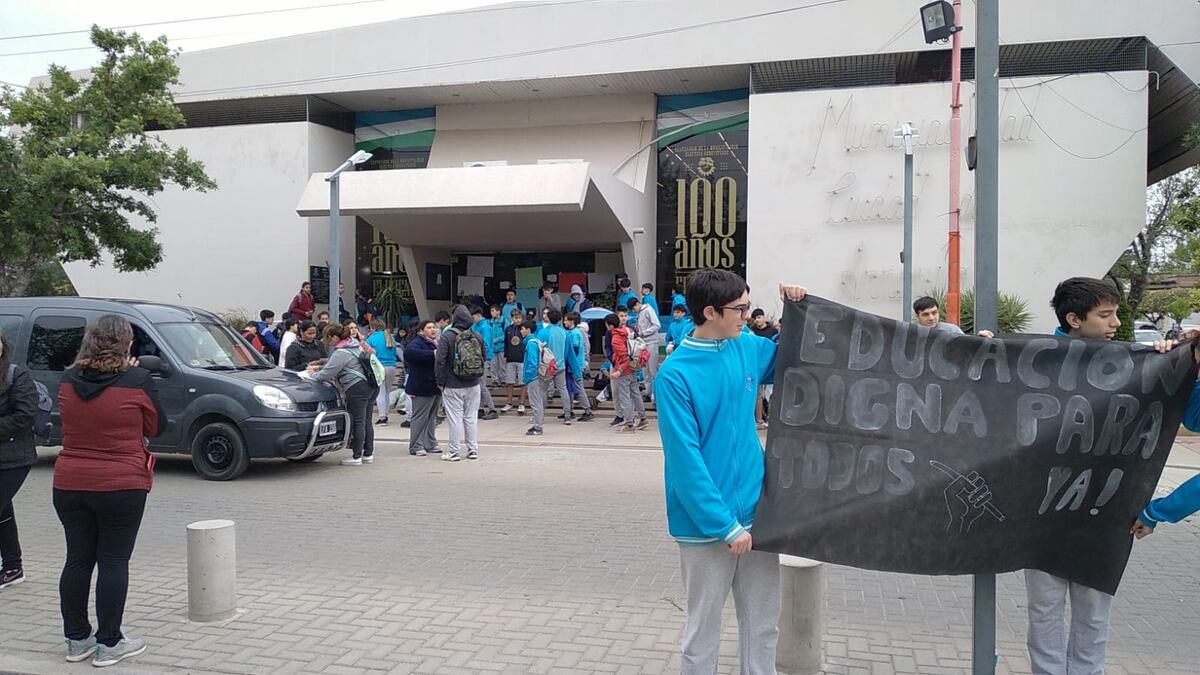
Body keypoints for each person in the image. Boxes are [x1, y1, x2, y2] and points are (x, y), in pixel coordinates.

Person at [654, 269, 807, 674]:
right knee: (702, 631)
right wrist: (724, 526)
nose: (747, 314)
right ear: (709, 312)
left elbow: (796, 355)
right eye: (739, 308)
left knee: (762, 626)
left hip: (757, 518)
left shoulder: (746, 348)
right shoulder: (674, 376)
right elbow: (686, 462)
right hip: (707, 529)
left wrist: (797, 310)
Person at [1024, 276, 1173, 675]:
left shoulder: (1135, 362)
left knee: (1093, 610)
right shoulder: (1035, 358)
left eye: (1116, 314)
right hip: (1045, 511)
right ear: (1074, 318)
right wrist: (978, 347)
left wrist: (1170, 361)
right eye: (1104, 315)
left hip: (1106, 510)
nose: (1114, 323)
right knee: (1044, 609)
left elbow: (1185, 410)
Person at [54, 314, 166, 667]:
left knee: (77, 559)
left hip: (69, 481)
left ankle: (76, 639)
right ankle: (109, 642)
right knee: (114, 561)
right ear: (127, 344)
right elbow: (156, 425)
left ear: (89, 340)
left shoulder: (67, 380)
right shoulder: (138, 379)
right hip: (121, 482)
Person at [308, 324, 378, 466]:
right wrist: (323, 364)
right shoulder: (355, 345)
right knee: (366, 421)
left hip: (356, 388)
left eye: (328, 338)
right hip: (371, 385)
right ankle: (368, 454)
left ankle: (356, 456)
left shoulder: (341, 352)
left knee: (358, 421)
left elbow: (326, 374)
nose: (327, 342)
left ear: (335, 337)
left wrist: (311, 375)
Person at [0, 329, 37, 591]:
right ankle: (13, 567)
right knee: (3, 510)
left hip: (15, 457)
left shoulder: (16, 375)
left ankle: (12, 565)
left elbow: (25, 415)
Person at [435, 305, 483, 462]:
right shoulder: (476, 336)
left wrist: (440, 381)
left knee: (455, 418)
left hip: (452, 384)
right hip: (474, 383)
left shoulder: (447, 336)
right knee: (471, 417)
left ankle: (454, 452)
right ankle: (473, 449)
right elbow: (484, 357)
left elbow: (440, 361)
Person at [403, 320, 441, 456]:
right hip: (421, 387)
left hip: (434, 386)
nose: (433, 330)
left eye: (434, 327)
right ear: (421, 330)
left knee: (431, 417)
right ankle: (416, 445)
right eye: (429, 327)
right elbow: (409, 354)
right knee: (419, 417)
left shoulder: (435, 343)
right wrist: (433, 355)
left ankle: (430, 443)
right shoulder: (417, 343)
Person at [606, 313, 647, 433]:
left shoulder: (616, 338)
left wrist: (619, 370)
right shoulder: (629, 330)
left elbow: (625, 356)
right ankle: (643, 418)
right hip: (633, 367)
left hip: (624, 370)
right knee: (635, 393)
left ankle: (629, 424)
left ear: (610, 325)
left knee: (624, 397)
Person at [538, 309, 572, 424]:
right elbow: (567, 350)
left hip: (547, 366)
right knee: (563, 389)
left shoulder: (543, 332)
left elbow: (539, 349)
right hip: (561, 365)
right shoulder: (564, 332)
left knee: (543, 390)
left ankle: (540, 416)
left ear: (548, 318)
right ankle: (567, 415)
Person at [562, 312, 594, 422]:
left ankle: (587, 410)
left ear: (572, 321)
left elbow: (574, 350)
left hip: (575, 365)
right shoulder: (569, 332)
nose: (564, 322)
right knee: (569, 388)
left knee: (578, 387)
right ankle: (569, 410)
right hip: (571, 365)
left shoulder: (575, 333)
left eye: (566, 320)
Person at [366, 319, 398, 425]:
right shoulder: (390, 337)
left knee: (380, 392)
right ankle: (386, 414)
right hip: (392, 366)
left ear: (372, 328)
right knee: (387, 391)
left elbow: (366, 352)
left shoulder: (372, 338)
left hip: (379, 367)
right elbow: (395, 352)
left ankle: (382, 417)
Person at [470, 307, 500, 420]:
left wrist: (483, 357)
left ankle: (492, 409)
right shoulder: (475, 326)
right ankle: (480, 408)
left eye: (473, 317)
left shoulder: (485, 327)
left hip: (484, 358)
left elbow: (486, 344)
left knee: (482, 385)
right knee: (478, 385)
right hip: (477, 358)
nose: (472, 319)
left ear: (478, 315)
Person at [520, 320, 545, 436]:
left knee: (535, 402)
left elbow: (532, 362)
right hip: (537, 376)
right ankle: (537, 424)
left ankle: (538, 426)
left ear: (528, 330)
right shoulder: (536, 341)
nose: (521, 331)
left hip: (533, 377)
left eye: (522, 328)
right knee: (537, 401)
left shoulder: (530, 343)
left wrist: (528, 376)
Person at [501, 308, 528, 415]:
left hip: (522, 359)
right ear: (512, 318)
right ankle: (509, 402)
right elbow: (506, 344)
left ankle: (521, 403)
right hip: (510, 359)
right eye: (515, 318)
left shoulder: (524, 329)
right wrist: (506, 356)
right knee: (509, 382)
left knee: (522, 382)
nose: (518, 320)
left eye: (519, 318)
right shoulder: (508, 329)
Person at [635, 296, 662, 398]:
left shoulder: (648, 310)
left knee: (652, 370)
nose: (634, 310)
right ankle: (647, 392)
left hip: (652, 342)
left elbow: (657, 325)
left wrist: (645, 333)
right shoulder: (640, 313)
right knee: (645, 370)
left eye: (634, 308)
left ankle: (655, 394)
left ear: (638, 304)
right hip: (643, 344)